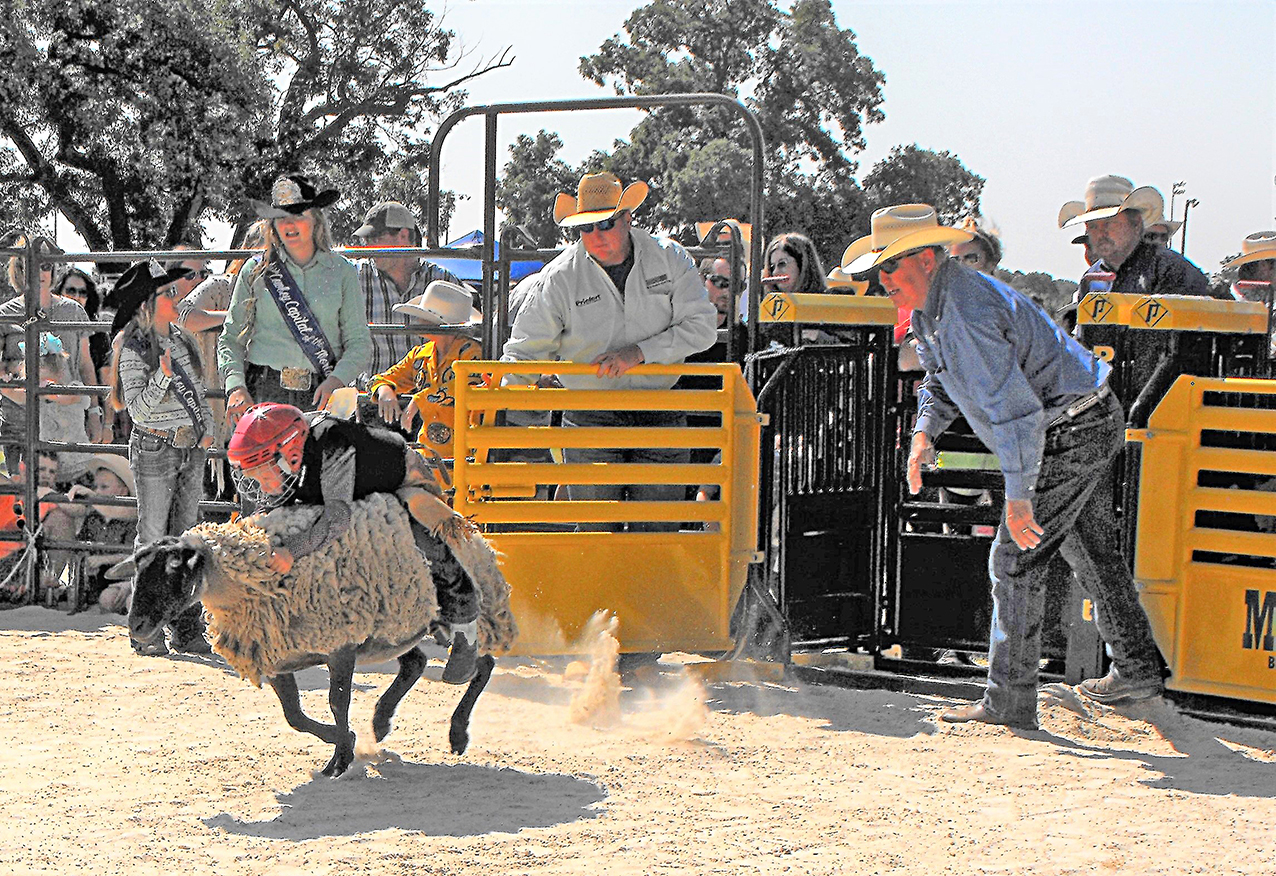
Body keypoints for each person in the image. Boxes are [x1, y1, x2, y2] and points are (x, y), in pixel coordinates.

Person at [846, 203, 1165, 729]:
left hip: (1070, 424)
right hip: (1082, 416)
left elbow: (1017, 414)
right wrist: (924, 431)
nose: (881, 281)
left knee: (1015, 557)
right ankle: (1136, 669)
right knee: (1089, 550)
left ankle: (1010, 701)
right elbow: (943, 382)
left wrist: (1019, 499)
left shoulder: (962, 310)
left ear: (925, 259)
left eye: (887, 267)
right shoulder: (940, 305)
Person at [500, 171, 717, 532]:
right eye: (586, 228)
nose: (596, 236)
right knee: (595, 533)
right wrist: (500, 397)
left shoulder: (669, 256)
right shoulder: (559, 276)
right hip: (591, 414)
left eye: (605, 224)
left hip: (659, 407)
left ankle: (650, 589)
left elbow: (703, 327)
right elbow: (525, 350)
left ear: (628, 218)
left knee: (658, 532)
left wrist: (640, 353)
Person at [225, 402, 484, 683]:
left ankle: (465, 631)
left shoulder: (333, 442)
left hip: (397, 479)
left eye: (263, 474)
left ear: (291, 454)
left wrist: (292, 551)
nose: (261, 485)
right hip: (339, 491)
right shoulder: (290, 457)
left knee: (425, 539)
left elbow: (337, 517)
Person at [106, 260, 215, 655]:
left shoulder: (182, 341)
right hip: (155, 446)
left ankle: (186, 627)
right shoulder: (135, 350)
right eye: (166, 294)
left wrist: (205, 429)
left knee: (185, 539)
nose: (175, 297)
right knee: (154, 538)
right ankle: (145, 628)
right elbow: (137, 410)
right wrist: (163, 377)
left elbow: (198, 392)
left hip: (188, 446)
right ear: (147, 306)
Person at [218, 175, 371, 423]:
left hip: (323, 392)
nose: (289, 224)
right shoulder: (254, 270)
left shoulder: (342, 271)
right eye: (280, 217)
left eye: (298, 215)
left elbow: (359, 343)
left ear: (316, 220)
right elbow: (231, 338)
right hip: (263, 391)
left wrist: (336, 380)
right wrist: (236, 386)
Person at [352, 201, 470, 382]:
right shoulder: (355, 277)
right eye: (366, 241)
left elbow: (465, 345)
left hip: (430, 398)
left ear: (403, 235)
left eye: (375, 239)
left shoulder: (443, 282)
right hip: (370, 397)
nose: (368, 248)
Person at [0, 235, 102, 441]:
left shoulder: (73, 311)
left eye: (46, 265)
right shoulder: (5, 315)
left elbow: (84, 365)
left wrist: (94, 414)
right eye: (31, 264)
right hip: (20, 425)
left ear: (54, 269)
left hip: (66, 424)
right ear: (19, 269)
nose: (39, 271)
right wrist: (22, 394)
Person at [367, 280, 483, 460]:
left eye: (423, 316)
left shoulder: (471, 351)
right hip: (430, 452)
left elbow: (468, 389)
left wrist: (420, 400)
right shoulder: (421, 354)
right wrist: (384, 390)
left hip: (466, 453)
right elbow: (384, 378)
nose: (417, 320)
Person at [1058, 175, 1211, 298]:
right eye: (1092, 226)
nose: (1100, 233)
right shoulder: (1092, 278)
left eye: (1110, 223)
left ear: (1136, 224)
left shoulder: (1169, 269)